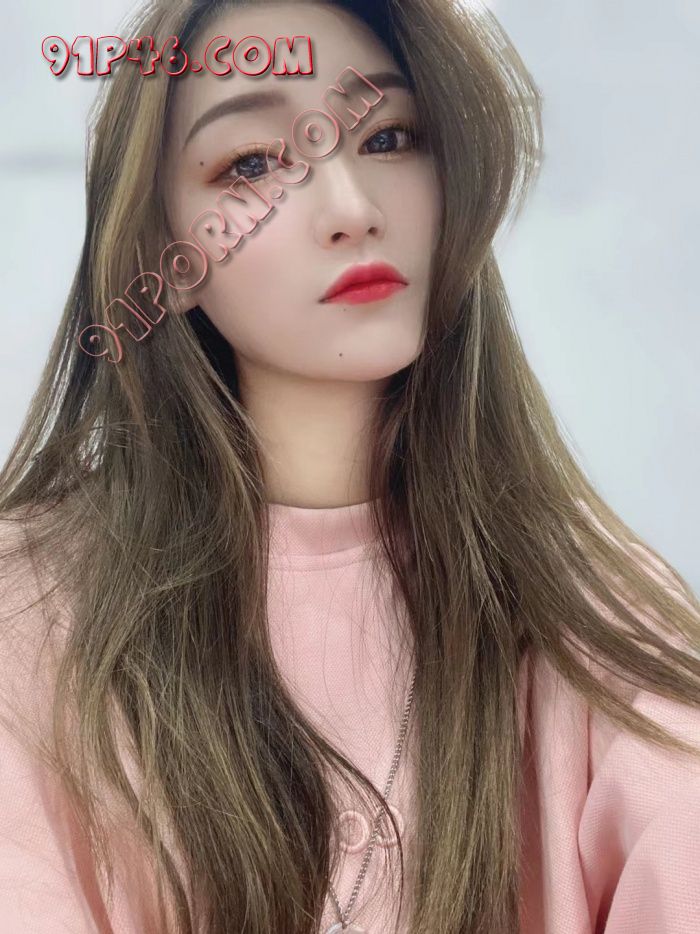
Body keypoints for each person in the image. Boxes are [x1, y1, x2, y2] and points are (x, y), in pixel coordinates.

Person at [1, 0, 699, 932]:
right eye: (253, 164)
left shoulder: (601, 622)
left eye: (389, 137)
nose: (351, 210)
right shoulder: (28, 618)